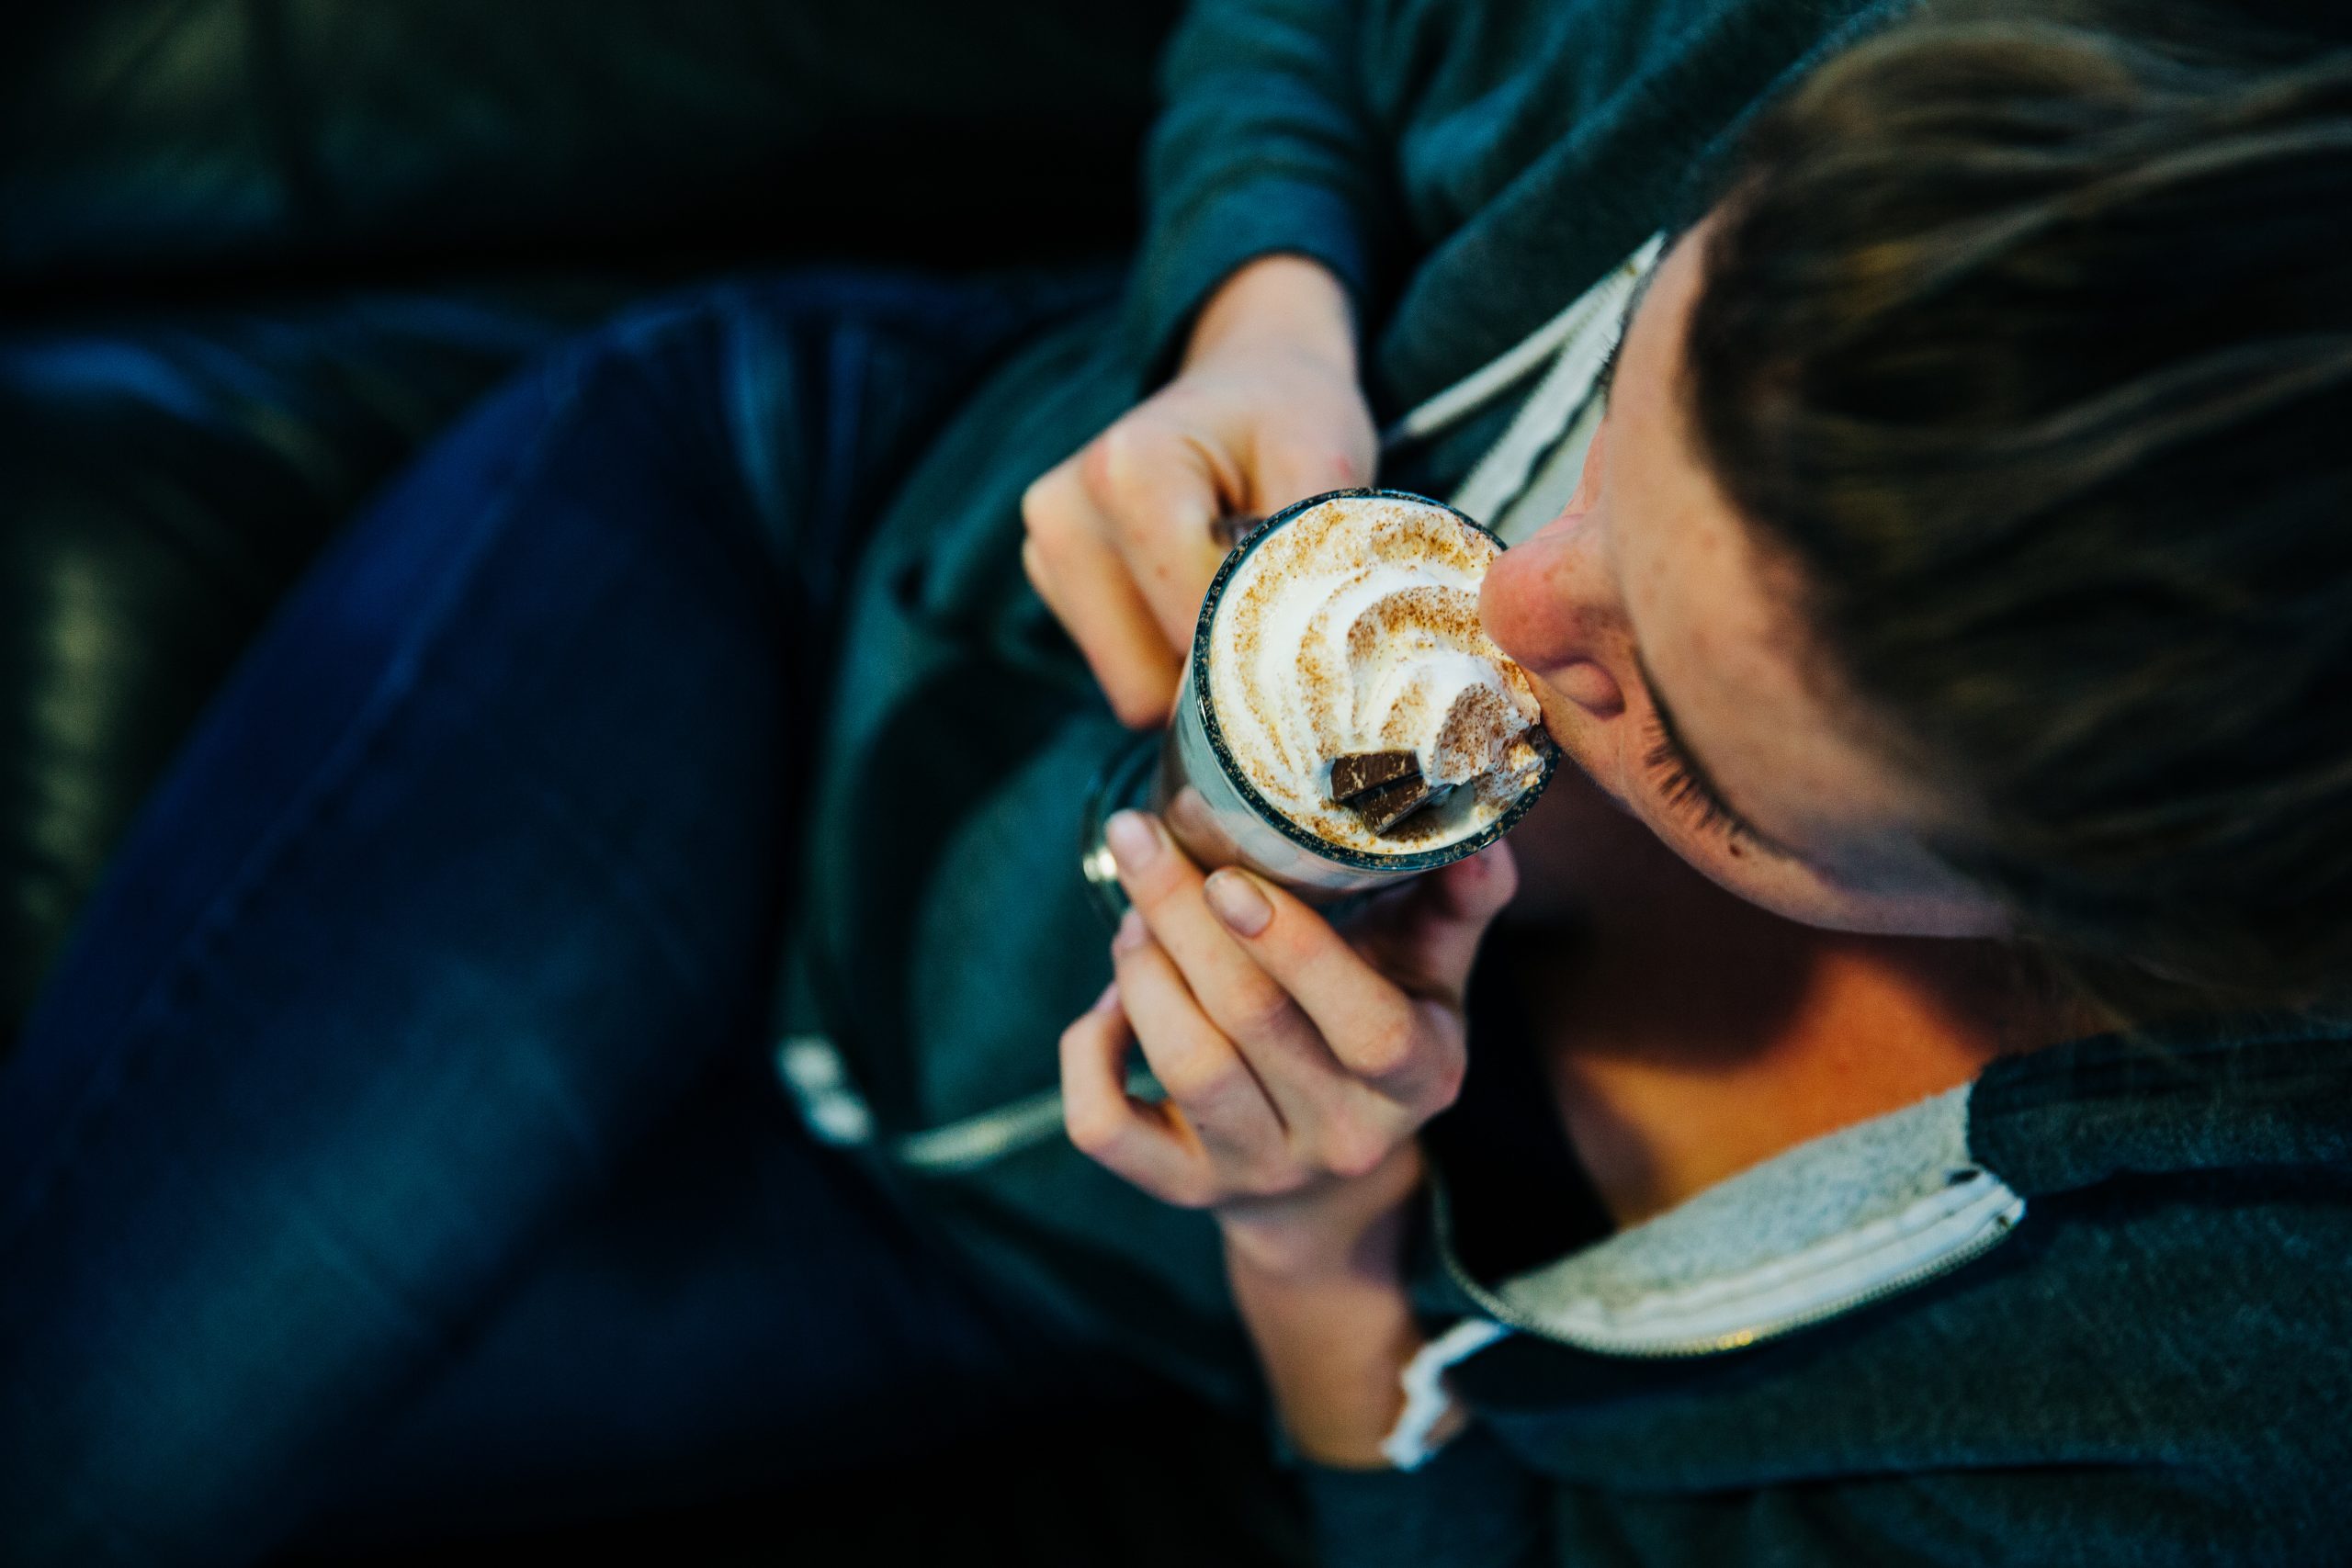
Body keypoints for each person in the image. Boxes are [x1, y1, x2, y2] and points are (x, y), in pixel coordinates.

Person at [6, 1, 2350, 1565]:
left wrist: (1314, 1258)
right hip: (757, 605)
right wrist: (1259, 310)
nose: (1499, 595)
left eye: (1670, 720)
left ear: (2112, 914)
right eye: (1615, 428)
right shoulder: (1945, 93)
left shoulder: (2239, 1379)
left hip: (949, 1257)